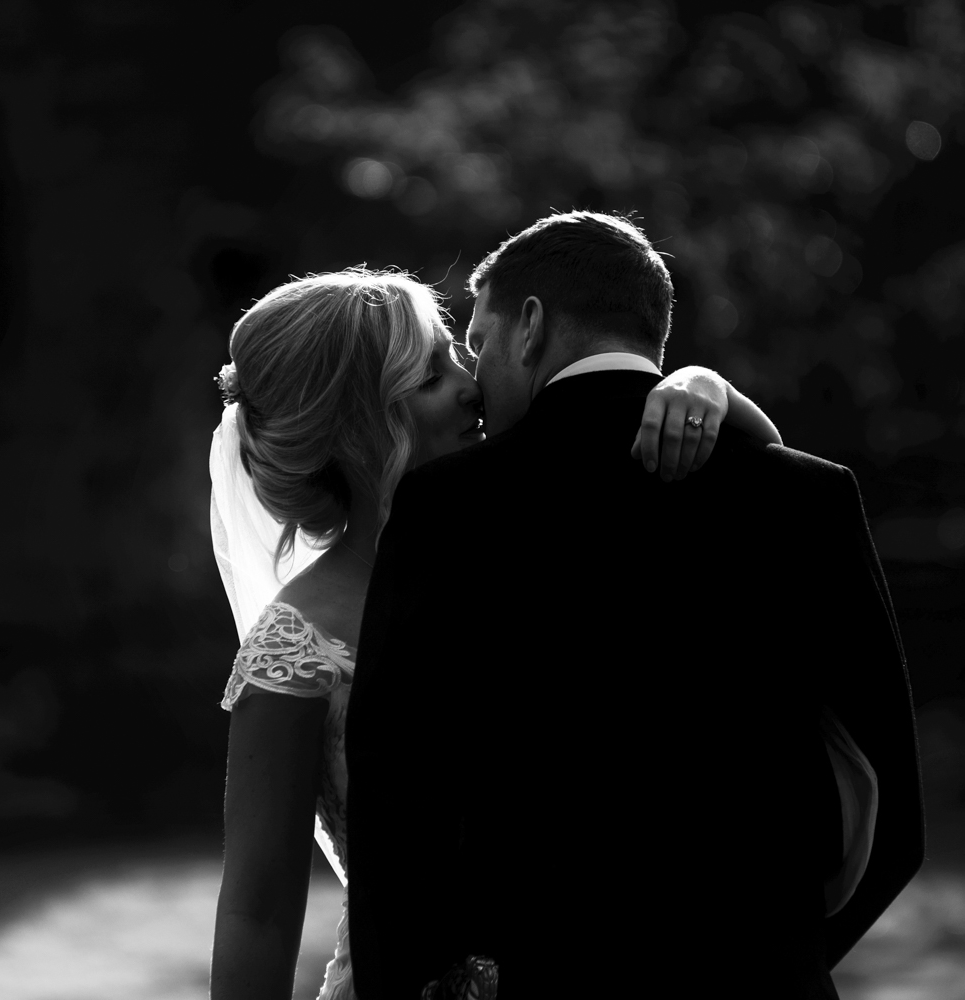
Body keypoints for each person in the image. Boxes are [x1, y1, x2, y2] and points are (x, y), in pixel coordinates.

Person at [345, 212, 925, 1000]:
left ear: (531, 326)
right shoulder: (809, 494)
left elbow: (394, 795)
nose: (477, 378)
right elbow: (890, 803)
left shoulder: (449, 506)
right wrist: (783, 954)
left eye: (479, 342)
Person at [207, 264, 787, 1000]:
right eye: (428, 376)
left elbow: (763, 501)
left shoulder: (536, 539)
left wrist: (703, 387)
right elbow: (257, 910)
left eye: (458, 355)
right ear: (359, 421)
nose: (470, 384)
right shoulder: (296, 646)